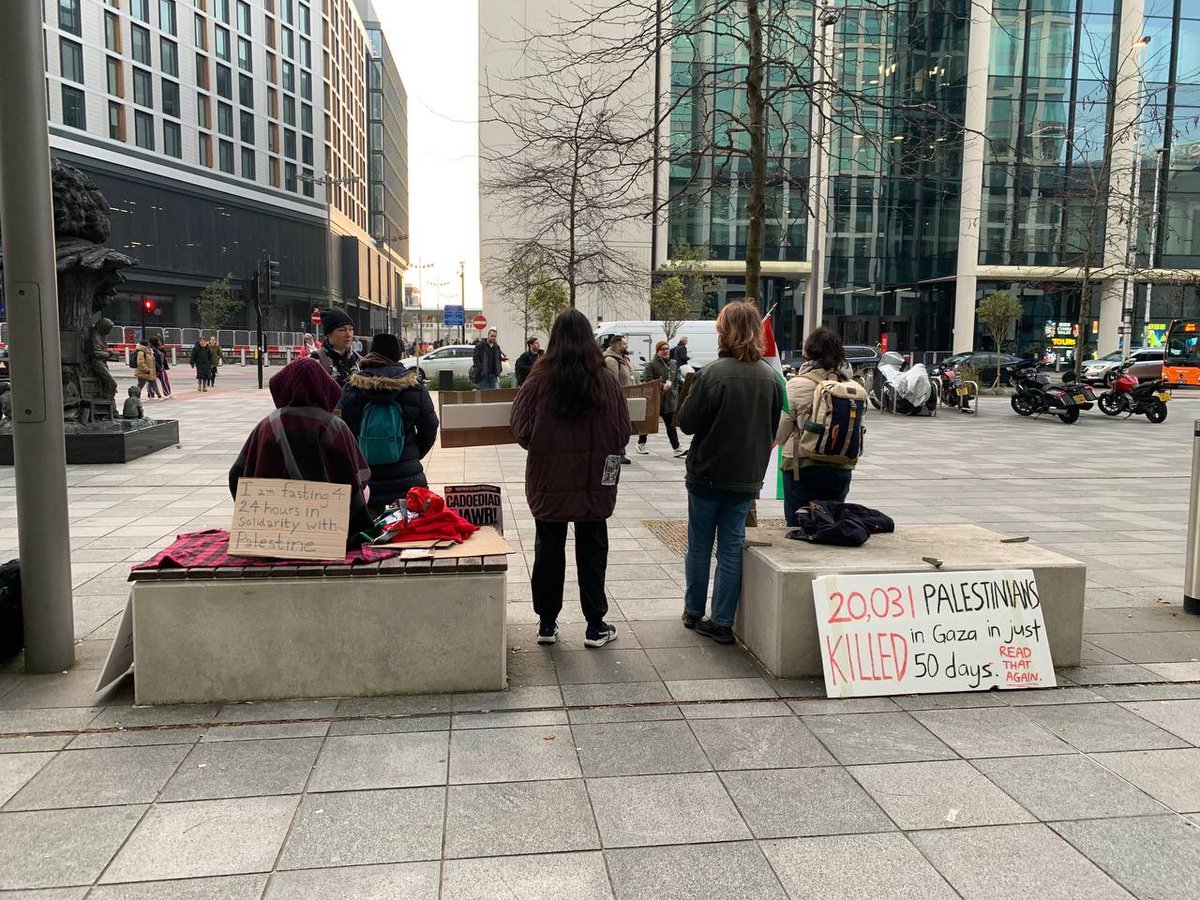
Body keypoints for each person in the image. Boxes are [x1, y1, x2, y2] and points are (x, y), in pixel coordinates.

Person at [511, 308, 629, 648]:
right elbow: (622, 432)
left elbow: (521, 430)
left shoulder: (539, 379)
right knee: (593, 550)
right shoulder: (605, 380)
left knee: (548, 549)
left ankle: (547, 623)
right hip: (595, 483)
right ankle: (595, 625)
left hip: (549, 481)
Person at [677, 301, 783, 644]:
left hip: (707, 474)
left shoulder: (711, 374)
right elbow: (771, 430)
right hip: (745, 478)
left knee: (699, 545)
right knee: (731, 546)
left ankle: (693, 611)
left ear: (725, 332)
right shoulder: (771, 378)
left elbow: (687, 423)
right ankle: (722, 621)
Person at [230, 357, 372, 544]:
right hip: (327, 536)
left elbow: (236, 476)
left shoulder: (266, 426)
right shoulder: (334, 427)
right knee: (366, 489)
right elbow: (357, 480)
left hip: (269, 538)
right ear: (324, 388)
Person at [338, 333, 440, 516]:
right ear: (397, 355)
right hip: (408, 481)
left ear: (372, 352)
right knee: (410, 537)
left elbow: (343, 430)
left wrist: (360, 453)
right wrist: (413, 453)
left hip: (366, 478)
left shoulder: (351, 388)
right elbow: (430, 427)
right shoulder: (414, 388)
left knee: (369, 539)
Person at [775, 327, 856, 527]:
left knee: (799, 526)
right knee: (830, 526)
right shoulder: (851, 387)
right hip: (840, 467)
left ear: (809, 353)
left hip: (801, 468)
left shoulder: (796, 385)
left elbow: (780, 433)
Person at [635, 340, 686, 457]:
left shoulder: (673, 363)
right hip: (655, 399)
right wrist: (662, 385)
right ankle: (641, 443)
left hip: (669, 400)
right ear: (657, 351)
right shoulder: (651, 364)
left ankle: (677, 448)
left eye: (667, 349)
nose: (665, 351)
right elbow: (647, 381)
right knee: (649, 422)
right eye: (662, 349)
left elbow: (676, 380)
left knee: (670, 425)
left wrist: (676, 391)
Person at [603, 334, 635, 464]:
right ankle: (619, 452)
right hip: (617, 398)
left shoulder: (623, 359)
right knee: (618, 424)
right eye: (623, 344)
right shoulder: (611, 360)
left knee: (623, 424)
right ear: (616, 345)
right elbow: (613, 381)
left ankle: (621, 451)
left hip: (626, 396)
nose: (626, 346)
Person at [315, 309, 361, 387]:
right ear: (328, 334)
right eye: (342, 330)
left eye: (351, 329)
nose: (348, 334)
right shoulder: (316, 360)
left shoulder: (358, 359)